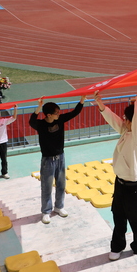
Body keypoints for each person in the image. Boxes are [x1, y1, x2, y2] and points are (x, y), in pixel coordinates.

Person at [94, 84, 137, 261]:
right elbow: (114, 120)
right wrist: (101, 104)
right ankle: (117, 247)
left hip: (133, 187)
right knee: (118, 216)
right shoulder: (125, 130)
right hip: (120, 184)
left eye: (126, 118)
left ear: (132, 120)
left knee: (136, 218)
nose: (123, 120)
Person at [29, 96, 86, 224]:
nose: (59, 114)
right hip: (48, 160)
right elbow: (31, 121)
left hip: (61, 157)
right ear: (49, 115)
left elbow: (75, 112)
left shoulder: (60, 119)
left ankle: (59, 207)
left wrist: (82, 100)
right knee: (47, 186)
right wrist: (39, 107)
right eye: (56, 113)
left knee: (61, 184)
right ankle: (46, 211)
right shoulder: (41, 125)